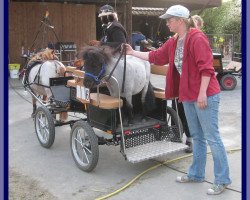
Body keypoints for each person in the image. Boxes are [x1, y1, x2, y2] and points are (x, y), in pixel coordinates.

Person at [123, 4, 231, 195]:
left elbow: (207, 69)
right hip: (188, 95)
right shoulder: (174, 41)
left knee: (212, 138)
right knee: (196, 137)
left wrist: (202, 94)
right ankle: (196, 173)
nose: (167, 23)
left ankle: (222, 179)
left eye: (169, 20)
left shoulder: (197, 38)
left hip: (204, 95)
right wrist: (132, 53)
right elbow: (156, 56)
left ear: (180, 20)